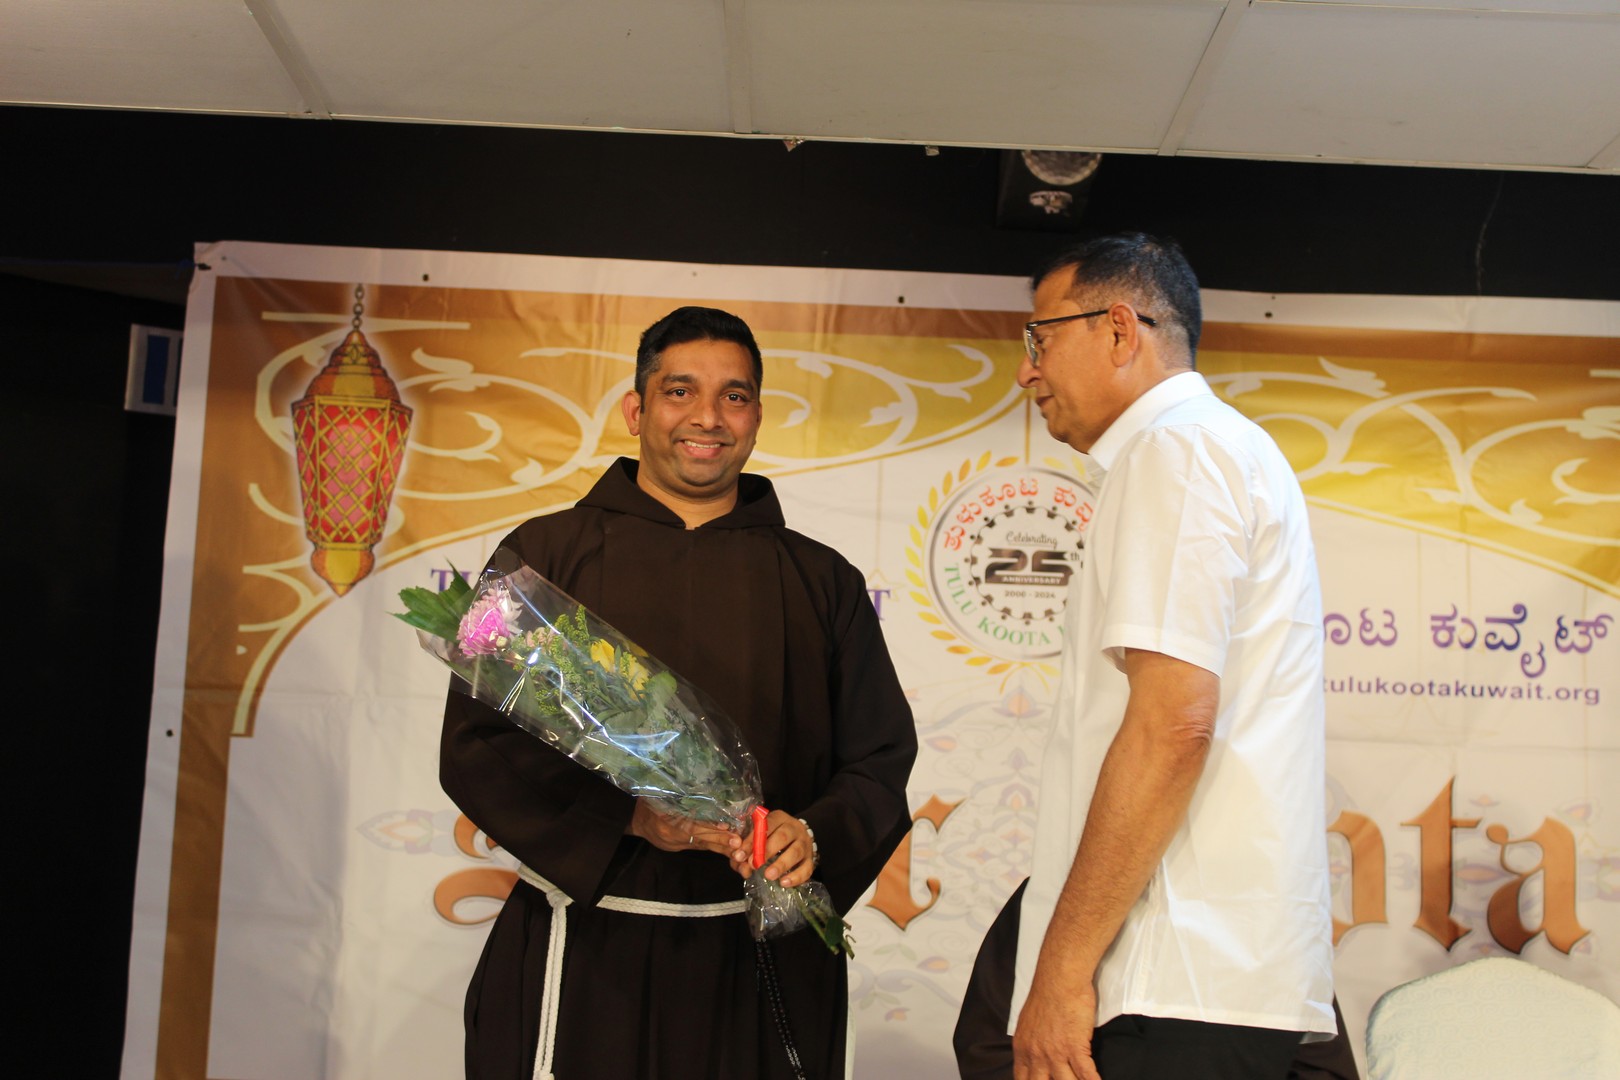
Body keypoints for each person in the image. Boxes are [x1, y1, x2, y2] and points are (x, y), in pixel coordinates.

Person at [440, 306, 917, 1080]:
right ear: (637, 410)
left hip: (761, 963)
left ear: (757, 415)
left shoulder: (821, 580)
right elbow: (476, 747)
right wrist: (628, 819)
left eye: (735, 396)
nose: (708, 418)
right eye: (680, 391)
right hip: (591, 949)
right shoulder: (543, 555)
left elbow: (880, 758)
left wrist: (811, 834)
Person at [1001, 234, 1336, 1079]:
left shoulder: (1176, 451)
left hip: (1168, 978)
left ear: (1119, 330)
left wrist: (1061, 975)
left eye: (1040, 339)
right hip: (1201, 977)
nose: (1027, 371)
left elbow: (1173, 725)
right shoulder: (1214, 447)